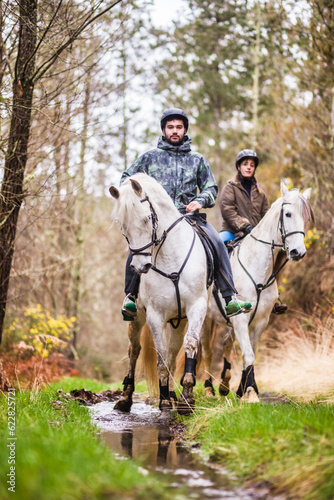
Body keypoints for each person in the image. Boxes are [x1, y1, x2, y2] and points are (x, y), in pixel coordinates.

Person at [119, 108, 252, 321]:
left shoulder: (197, 159)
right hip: (156, 221)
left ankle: (229, 297)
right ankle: (131, 297)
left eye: (179, 127)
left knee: (217, 242)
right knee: (137, 246)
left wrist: (199, 201)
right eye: (170, 127)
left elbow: (211, 188)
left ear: (185, 130)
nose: (174, 131)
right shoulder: (148, 158)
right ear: (163, 130)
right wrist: (133, 197)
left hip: (189, 218)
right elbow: (126, 179)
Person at [219, 149, 287, 314]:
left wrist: (263, 233)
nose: (249, 167)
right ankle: (215, 291)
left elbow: (266, 217)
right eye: (245, 164)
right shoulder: (230, 187)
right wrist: (244, 226)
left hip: (255, 236)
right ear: (239, 167)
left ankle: (272, 297)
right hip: (231, 232)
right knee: (218, 246)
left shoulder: (261, 194)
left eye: (251, 165)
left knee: (279, 253)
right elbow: (227, 210)